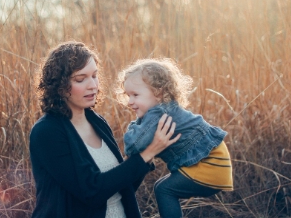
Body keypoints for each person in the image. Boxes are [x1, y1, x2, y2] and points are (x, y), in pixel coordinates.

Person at [29, 41, 180, 218]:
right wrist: (147, 153)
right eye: (80, 79)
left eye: (94, 75)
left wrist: (147, 150)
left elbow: (122, 187)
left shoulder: (97, 122)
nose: (92, 85)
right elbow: (91, 192)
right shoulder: (47, 132)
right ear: (59, 86)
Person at [117, 58, 233, 218]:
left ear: (158, 93)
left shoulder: (157, 114)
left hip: (210, 165)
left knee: (164, 189)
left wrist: (133, 126)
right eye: (128, 95)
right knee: (161, 185)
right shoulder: (165, 109)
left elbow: (133, 145)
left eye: (135, 95)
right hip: (216, 162)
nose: (130, 102)